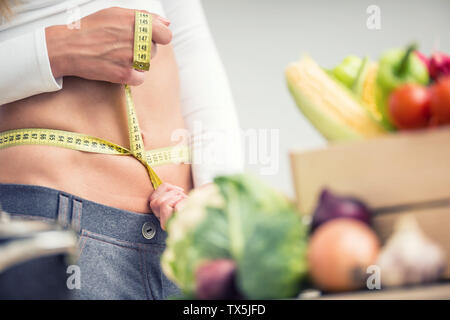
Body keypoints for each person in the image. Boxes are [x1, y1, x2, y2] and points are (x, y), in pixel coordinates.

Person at [0, 0, 243, 299]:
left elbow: (192, 45)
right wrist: (57, 48)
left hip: (186, 238)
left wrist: (217, 194)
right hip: (52, 219)